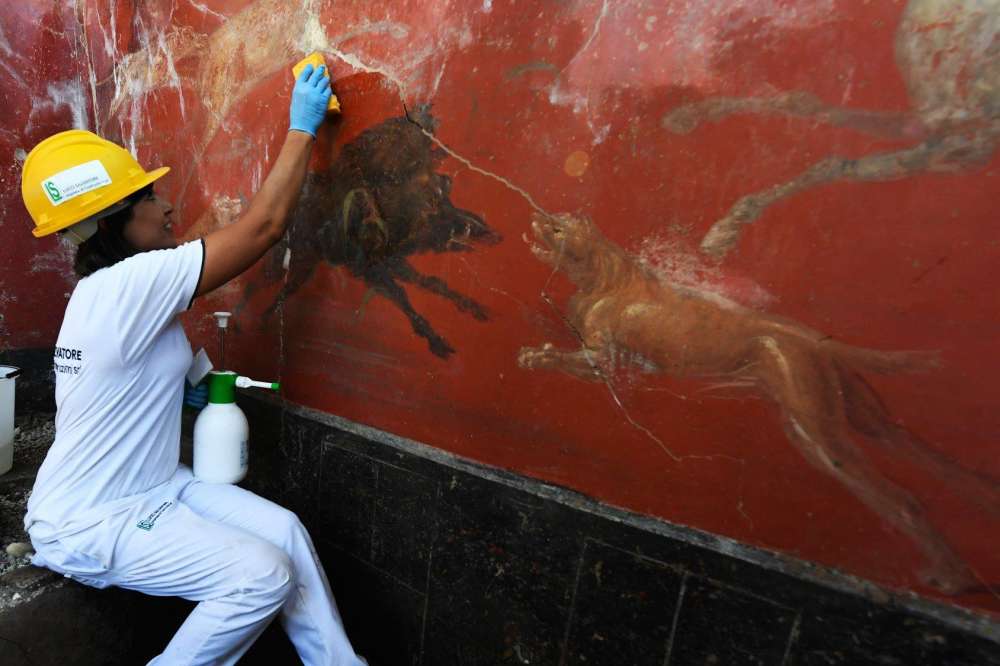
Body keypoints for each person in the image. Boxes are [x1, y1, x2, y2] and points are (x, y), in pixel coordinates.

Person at [19, 63, 366, 665]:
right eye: (150, 197)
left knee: (283, 531)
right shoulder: (130, 282)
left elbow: (130, 375)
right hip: (91, 517)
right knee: (260, 574)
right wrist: (301, 129)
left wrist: (189, 389)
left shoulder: (109, 292)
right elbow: (263, 228)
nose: (168, 205)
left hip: (154, 483)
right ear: (114, 219)